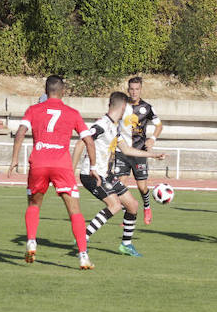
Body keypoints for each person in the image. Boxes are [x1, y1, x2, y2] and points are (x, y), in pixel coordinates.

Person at [8, 75, 100, 270]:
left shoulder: (33, 110)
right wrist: (93, 167)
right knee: (74, 210)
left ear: (45, 90)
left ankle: (32, 241)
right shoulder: (72, 113)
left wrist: (15, 158)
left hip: (39, 162)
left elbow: (20, 132)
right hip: (62, 165)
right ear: (63, 91)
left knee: (34, 203)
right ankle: (83, 256)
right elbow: (89, 141)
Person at [71, 91, 166, 257]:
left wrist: (153, 155)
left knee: (133, 205)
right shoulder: (101, 125)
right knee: (115, 205)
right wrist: (71, 172)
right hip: (92, 175)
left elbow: (127, 150)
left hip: (106, 174)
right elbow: (81, 142)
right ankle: (82, 238)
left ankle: (126, 245)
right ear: (123, 107)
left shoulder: (114, 128)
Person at [113, 77, 163, 225]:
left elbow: (159, 125)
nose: (134, 92)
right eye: (131, 89)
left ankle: (147, 207)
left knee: (142, 187)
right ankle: (128, 214)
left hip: (139, 151)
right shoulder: (121, 105)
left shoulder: (147, 107)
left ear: (141, 90)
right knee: (120, 185)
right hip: (122, 150)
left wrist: (152, 138)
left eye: (137, 89)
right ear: (128, 89)